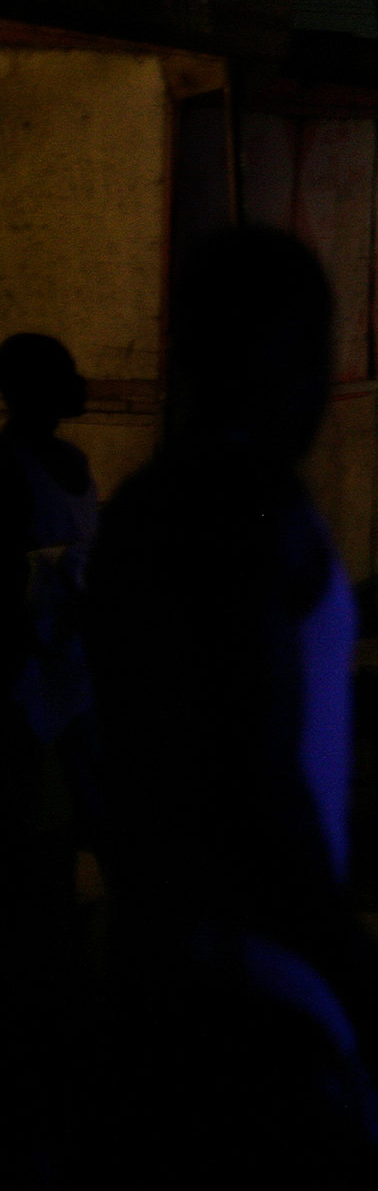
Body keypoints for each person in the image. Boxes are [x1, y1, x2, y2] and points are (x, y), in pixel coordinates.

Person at [85, 229, 378, 1184]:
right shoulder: (250, 511)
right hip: (254, 987)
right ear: (286, 360)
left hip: (149, 956)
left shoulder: (144, 505)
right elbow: (259, 778)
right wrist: (362, 978)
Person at [0, 334, 100, 1184]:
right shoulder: (12, 471)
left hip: (71, 685)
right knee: (42, 854)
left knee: (61, 846)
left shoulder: (69, 462)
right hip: (29, 692)